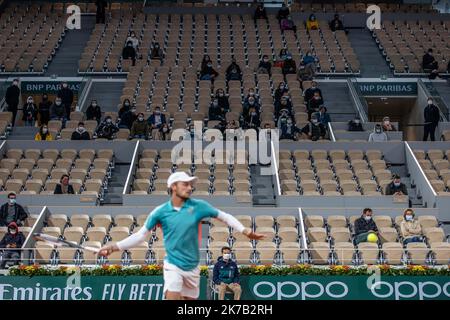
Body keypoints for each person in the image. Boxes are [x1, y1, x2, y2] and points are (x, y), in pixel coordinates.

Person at [98, 171, 264, 300]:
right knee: (173, 293)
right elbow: (141, 236)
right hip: (173, 264)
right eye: (185, 184)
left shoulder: (199, 206)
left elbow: (225, 216)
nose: (190, 187)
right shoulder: (160, 212)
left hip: (193, 266)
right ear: (173, 187)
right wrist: (114, 247)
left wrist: (245, 231)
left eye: (190, 185)